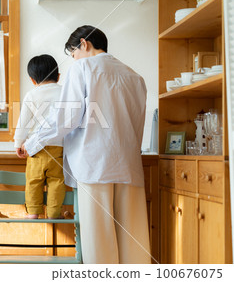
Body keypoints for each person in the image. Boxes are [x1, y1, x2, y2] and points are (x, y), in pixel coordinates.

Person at [22, 25, 151, 264]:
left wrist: (32, 143)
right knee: (133, 239)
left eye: (73, 53)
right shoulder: (135, 76)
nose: (74, 59)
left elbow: (66, 118)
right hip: (129, 165)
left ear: (84, 44)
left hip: (94, 164)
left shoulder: (82, 67)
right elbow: (138, 124)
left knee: (98, 240)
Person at [14, 54, 65, 219]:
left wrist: (18, 143)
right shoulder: (65, 92)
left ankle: (34, 213)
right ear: (58, 76)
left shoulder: (32, 95)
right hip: (59, 147)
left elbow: (24, 122)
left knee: (33, 181)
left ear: (32, 80)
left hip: (35, 149)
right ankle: (53, 213)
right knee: (57, 181)